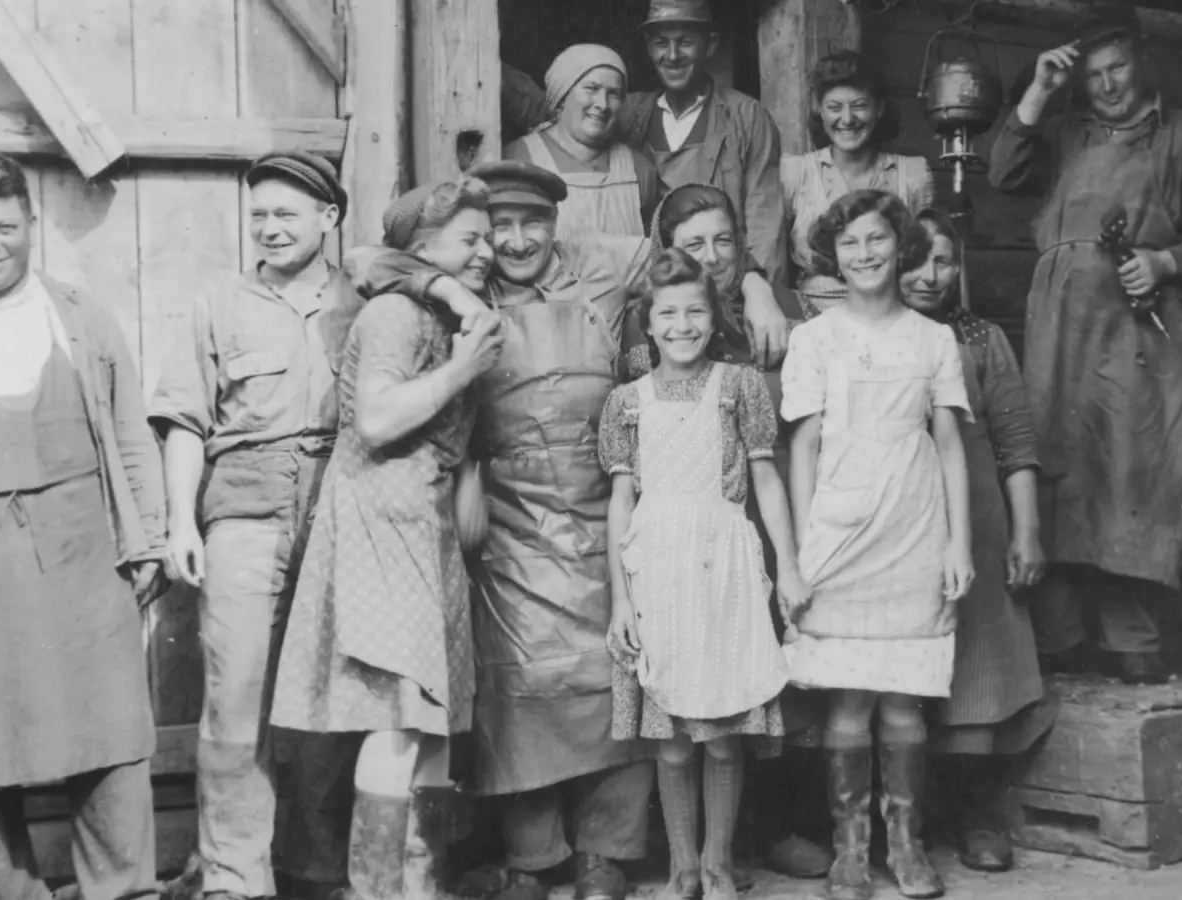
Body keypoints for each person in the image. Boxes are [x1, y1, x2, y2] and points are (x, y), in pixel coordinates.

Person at [351, 161, 783, 900]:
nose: (518, 241)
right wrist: (449, 291)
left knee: (618, 670)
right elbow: (367, 261)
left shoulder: (605, 267)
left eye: (535, 224)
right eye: (502, 228)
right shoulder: (471, 279)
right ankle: (533, 856)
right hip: (511, 506)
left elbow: (697, 260)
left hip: (606, 492)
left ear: (560, 224)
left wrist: (755, 281)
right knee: (522, 688)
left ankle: (606, 854)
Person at [0, 150, 166, 899]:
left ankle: (124, 890)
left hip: (81, 551)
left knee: (110, 734)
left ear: (30, 224)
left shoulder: (77, 317)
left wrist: (144, 535)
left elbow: (128, 431)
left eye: (4, 224)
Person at [987, 0, 1182, 685]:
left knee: (1133, 467)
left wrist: (1167, 263)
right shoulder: (1067, 133)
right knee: (1057, 460)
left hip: (1139, 326)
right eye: (1094, 73)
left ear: (1142, 61)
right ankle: (1063, 631)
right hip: (1058, 326)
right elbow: (1004, 173)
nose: (1107, 84)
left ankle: (1130, 629)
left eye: (1119, 67)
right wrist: (1039, 92)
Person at [268, 177, 503, 900]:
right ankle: (379, 890)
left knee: (430, 721)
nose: (487, 252)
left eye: (488, 237)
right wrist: (464, 367)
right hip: (379, 522)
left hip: (422, 528)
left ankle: (419, 886)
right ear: (426, 250)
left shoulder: (443, 307)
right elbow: (373, 420)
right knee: (397, 721)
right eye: (471, 239)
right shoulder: (397, 314)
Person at [149, 151, 375, 900]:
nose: (270, 229)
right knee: (236, 696)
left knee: (326, 701)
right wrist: (181, 518)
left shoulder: (369, 299)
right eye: (259, 217)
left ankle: (313, 870)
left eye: (287, 214)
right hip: (244, 506)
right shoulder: (219, 301)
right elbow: (184, 418)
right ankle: (235, 879)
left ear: (329, 218)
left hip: (343, 508)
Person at [619, 184, 832, 882]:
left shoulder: (763, 317)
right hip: (671, 548)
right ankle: (692, 860)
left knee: (751, 705)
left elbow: (777, 456)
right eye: (692, 246)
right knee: (680, 719)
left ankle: (751, 842)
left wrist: (760, 286)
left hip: (752, 536)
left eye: (723, 243)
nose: (710, 259)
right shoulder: (651, 341)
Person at [781, 190, 974, 900]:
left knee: (904, 701)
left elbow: (949, 443)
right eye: (851, 243)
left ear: (902, 249)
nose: (864, 254)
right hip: (840, 527)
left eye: (878, 241)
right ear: (834, 253)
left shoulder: (934, 339)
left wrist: (959, 545)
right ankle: (851, 852)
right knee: (849, 703)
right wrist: (803, 548)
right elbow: (801, 448)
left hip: (914, 525)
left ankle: (909, 847)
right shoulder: (814, 339)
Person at [901, 209, 1058, 873]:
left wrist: (1026, 533)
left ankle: (975, 812)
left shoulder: (984, 339)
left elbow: (1017, 443)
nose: (930, 276)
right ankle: (906, 819)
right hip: (898, 521)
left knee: (977, 668)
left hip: (980, 522)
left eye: (943, 261)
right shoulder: (871, 335)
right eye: (916, 260)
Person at [617, 0, 789, 291]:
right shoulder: (628, 115)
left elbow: (765, 223)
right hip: (653, 294)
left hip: (729, 289)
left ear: (709, 45)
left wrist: (759, 293)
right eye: (661, 43)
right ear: (648, 47)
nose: (672, 56)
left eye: (685, 42)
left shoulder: (745, 116)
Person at [782, 52, 934, 316]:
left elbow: (929, 259)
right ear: (819, 110)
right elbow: (773, 263)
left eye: (860, 105)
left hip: (890, 318)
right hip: (810, 319)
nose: (848, 119)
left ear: (880, 109)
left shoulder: (913, 174)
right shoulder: (795, 172)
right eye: (835, 107)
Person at [505, 44, 666, 241]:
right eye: (591, 89)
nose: (603, 104)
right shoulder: (519, 161)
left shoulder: (639, 171)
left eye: (613, 94)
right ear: (562, 97)